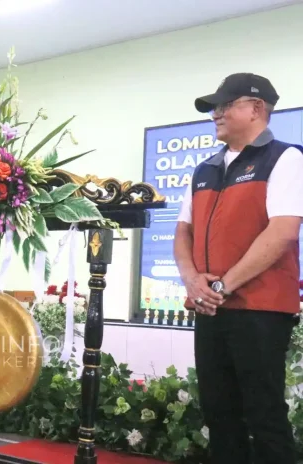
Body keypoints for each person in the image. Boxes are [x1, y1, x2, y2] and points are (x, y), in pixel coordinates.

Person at [174, 73, 303, 464]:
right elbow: (183, 232)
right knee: (219, 414)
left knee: (264, 415)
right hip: (211, 309)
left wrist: (222, 286)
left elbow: (281, 232)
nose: (216, 114)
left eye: (225, 105)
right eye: (214, 107)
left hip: (260, 310)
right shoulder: (204, 169)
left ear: (256, 108)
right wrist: (192, 281)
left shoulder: (285, 158)